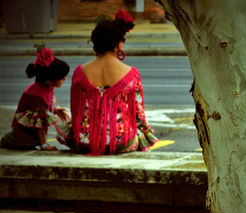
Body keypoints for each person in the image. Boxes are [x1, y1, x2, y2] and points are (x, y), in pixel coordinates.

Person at [56, 9, 158, 155]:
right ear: (119, 44)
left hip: (86, 142)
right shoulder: (132, 74)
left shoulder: (80, 72)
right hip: (120, 142)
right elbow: (138, 116)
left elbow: (76, 110)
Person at [1, 47, 70, 151]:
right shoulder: (37, 95)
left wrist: (55, 110)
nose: (65, 79)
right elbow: (40, 125)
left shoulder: (47, 87)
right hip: (24, 138)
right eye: (61, 77)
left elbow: (46, 105)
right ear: (49, 80)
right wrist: (45, 145)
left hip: (31, 135)